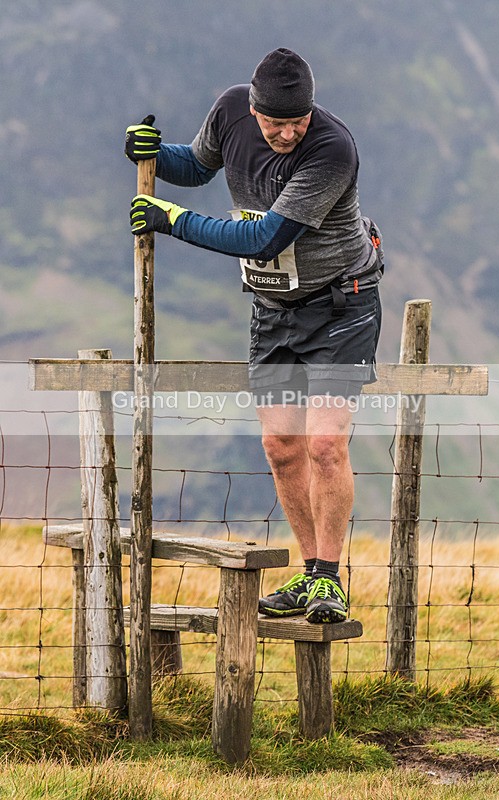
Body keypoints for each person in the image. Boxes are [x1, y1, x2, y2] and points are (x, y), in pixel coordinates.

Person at [126, 48, 383, 623]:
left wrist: (174, 220)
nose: (288, 133)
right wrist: (150, 156)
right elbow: (196, 165)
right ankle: (308, 573)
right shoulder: (229, 112)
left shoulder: (331, 149)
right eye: (275, 123)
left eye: (298, 121)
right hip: (273, 307)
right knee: (282, 447)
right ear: (253, 108)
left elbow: (264, 239)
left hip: (343, 304)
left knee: (323, 444)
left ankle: (328, 581)